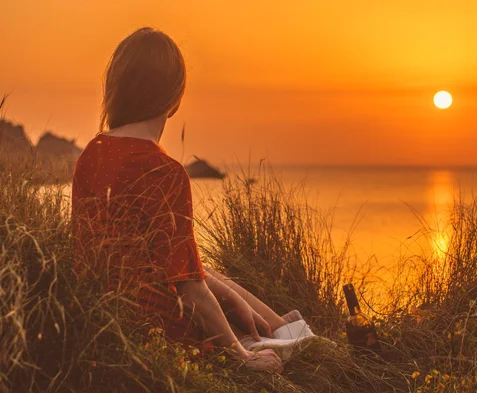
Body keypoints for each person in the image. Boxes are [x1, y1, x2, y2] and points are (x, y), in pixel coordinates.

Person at [71, 27, 315, 374]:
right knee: (220, 305)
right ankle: (282, 338)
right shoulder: (162, 170)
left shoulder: (91, 155)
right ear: (174, 100)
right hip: (160, 335)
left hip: (105, 321)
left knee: (206, 272)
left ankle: (281, 330)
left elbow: (175, 270)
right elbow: (190, 291)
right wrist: (243, 361)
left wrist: (230, 297)